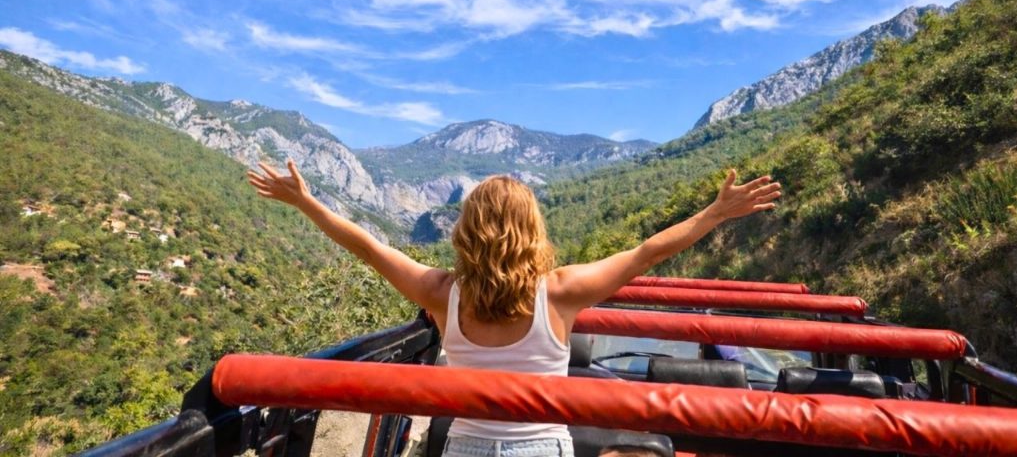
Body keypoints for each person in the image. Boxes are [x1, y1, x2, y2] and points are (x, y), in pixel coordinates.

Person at [248, 160, 781, 457]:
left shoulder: (442, 293)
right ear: (533, 231)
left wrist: (306, 201)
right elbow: (649, 251)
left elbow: (369, 247)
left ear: (466, 231)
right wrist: (714, 213)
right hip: (543, 451)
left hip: (465, 451)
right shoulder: (563, 290)